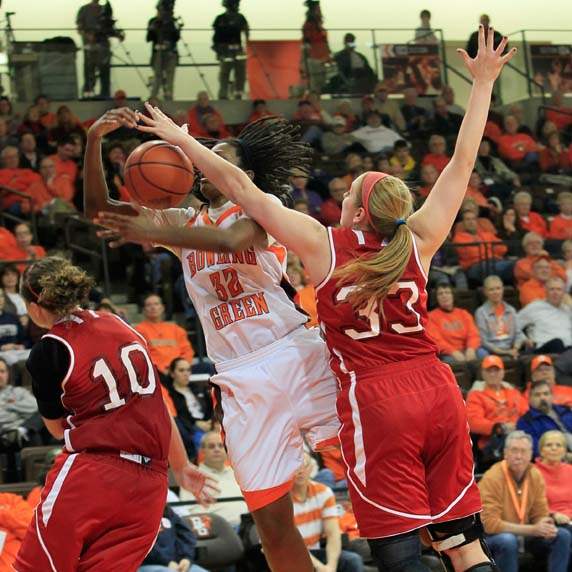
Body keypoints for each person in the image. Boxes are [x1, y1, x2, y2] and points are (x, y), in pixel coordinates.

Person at [133, 27, 517, 572]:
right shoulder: (419, 239)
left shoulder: (322, 244)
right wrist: (482, 84)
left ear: (357, 213)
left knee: (399, 548)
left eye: (348, 191)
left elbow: (240, 188)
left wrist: (180, 139)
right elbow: (461, 163)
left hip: (379, 400)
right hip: (437, 388)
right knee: (464, 544)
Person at [87, 112, 340, 572]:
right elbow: (97, 211)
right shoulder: (183, 223)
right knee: (272, 526)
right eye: (201, 163)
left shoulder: (259, 211)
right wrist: (92, 142)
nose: (203, 168)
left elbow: (229, 241)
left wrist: (157, 230)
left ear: (241, 174)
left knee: (376, 462)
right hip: (239, 375)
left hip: (294, 351)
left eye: (216, 160)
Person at [14, 257, 217, 571]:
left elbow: (57, 430)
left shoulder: (49, 348)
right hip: (151, 482)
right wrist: (183, 465)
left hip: (95, 472)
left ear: (35, 306)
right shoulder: (120, 324)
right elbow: (158, 404)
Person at [478, 430, 571, 572]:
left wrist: (544, 524)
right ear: (505, 453)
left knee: (562, 535)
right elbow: (490, 525)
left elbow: (540, 513)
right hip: (495, 537)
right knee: (508, 540)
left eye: (524, 451)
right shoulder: (493, 477)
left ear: (530, 454)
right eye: (514, 451)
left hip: (525, 535)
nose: (519, 456)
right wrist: (533, 529)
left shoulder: (535, 474)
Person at [292, 452, 365, 572]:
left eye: (304, 465)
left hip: (315, 550)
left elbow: (333, 535)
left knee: (352, 561)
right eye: (295, 467)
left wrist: (331, 566)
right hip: (289, 555)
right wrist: (320, 567)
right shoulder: (282, 501)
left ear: (311, 468)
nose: (300, 471)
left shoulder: (324, 492)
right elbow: (291, 545)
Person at [180, 431, 248, 529]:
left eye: (220, 446)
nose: (217, 449)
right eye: (211, 446)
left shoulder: (237, 473)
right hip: (218, 530)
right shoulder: (193, 477)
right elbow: (190, 511)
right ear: (202, 451)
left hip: (248, 526)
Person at [466, 355, 527, 450]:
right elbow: (473, 422)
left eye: (496, 370)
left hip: (520, 435)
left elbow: (526, 413)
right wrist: (500, 427)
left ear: (503, 372)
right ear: (482, 373)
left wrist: (518, 425)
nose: (493, 374)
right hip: (493, 442)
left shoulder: (513, 391)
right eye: (489, 371)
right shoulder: (475, 395)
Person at [427, 283, 487, 365]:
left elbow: (473, 334)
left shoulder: (464, 314)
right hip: (447, 354)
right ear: (436, 298)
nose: (444, 296)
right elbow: (437, 341)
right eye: (440, 293)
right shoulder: (431, 317)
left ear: (453, 296)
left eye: (447, 292)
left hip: (467, 349)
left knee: (483, 354)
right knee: (451, 363)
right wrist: (453, 352)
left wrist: (471, 349)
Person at [135, 294, 195, 375]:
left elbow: (187, 351)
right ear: (144, 310)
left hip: (178, 373)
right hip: (155, 373)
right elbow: (141, 356)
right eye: (149, 305)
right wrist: (160, 370)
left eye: (156, 304)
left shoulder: (176, 329)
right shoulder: (138, 331)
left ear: (162, 308)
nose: (153, 307)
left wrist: (181, 369)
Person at [139, 502, 208, 572]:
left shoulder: (168, 511)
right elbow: (143, 545)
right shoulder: (135, 514)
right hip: (147, 564)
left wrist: (186, 558)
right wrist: (167, 562)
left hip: (177, 563)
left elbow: (186, 536)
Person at [76, 0, 124, 98]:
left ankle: (104, 94)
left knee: (104, 72)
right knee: (90, 71)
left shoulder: (104, 8)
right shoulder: (84, 9)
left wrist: (118, 34)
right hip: (91, 47)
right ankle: (88, 93)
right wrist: (88, 36)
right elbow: (80, 27)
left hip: (103, 47)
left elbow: (109, 27)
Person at [452, 209, 511, 285]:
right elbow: (472, 253)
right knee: (490, 267)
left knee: (514, 265)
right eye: (467, 219)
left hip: (494, 262)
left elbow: (503, 248)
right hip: (474, 266)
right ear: (463, 223)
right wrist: (489, 247)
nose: (471, 222)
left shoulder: (487, 234)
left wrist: (484, 248)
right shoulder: (459, 237)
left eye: (473, 219)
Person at [475, 276, 528, 358]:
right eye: (491, 289)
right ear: (485, 292)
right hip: (491, 351)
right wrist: (504, 352)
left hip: (511, 349)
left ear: (503, 289)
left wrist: (515, 349)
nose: (496, 292)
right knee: (481, 352)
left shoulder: (511, 310)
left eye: (498, 288)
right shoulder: (480, 312)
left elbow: (518, 333)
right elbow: (484, 341)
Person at [516, 381, 572, 458]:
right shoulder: (525, 422)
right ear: (529, 399)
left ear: (552, 396)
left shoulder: (565, 410)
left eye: (546, 394)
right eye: (537, 395)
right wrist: (565, 456)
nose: (542, 398)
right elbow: (537, 449)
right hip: (557, 459)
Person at [517, 277, 572, 354]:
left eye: (559, 289)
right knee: (557, 342)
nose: (555, 292)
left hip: (568, 349)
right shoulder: (535, 307)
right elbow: (514, 324)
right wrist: (524, 339)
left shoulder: (568, 309)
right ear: (545, 291)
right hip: (544, 349)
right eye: (552, 289)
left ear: (564, 292)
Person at [212, 0, 249, 100]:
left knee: (240, 73)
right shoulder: (220, 19)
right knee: (225, 73)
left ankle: (238, 93)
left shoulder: (240, 18)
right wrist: (218, 50)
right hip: (225, 50)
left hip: (238, 49)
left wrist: (246, 47)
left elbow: (246, 33)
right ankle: (223, 94)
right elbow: (216, 37)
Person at [535, 431, 572, 523]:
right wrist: (553, 514)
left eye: (558, 445)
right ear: (541, 451)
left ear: (564, 451)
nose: (554, 448)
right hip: (548, 519)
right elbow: (532, 505)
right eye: (548, 445)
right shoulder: (532, 472)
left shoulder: (570, 470)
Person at [147, 3, 181, 101]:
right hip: (158, 52)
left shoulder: (173, 22)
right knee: (158, 74)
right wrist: (156, 26)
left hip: (171, 52)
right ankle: (154, 95)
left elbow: (176, 37)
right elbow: (149, 37)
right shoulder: (154, 21)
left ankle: (168, 95)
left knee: (170, 75)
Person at [301, 0, 331, 94]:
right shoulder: (309, 25)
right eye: (318, 10)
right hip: (314, 58)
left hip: (323, 58)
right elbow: (307, 42)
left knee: (322, 83)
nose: (320, 12)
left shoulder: (319, 25)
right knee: (314, 84)